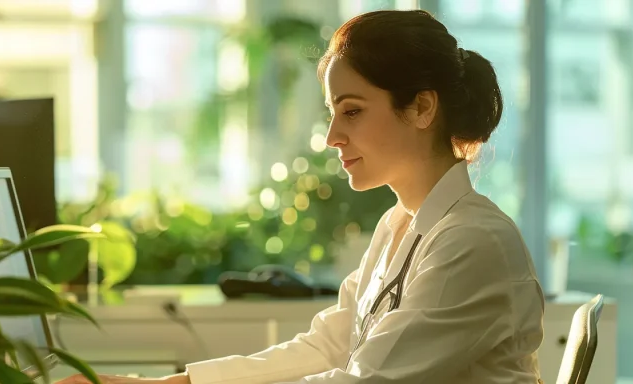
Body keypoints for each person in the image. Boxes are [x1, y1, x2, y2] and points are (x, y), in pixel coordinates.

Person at [57, 9, 544, 384]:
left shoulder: (472, 241)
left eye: (351, 111)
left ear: (421, 107)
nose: (332, 135)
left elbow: (365, 380)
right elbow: (329, 346)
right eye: (333, 113)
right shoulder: (400, 225)